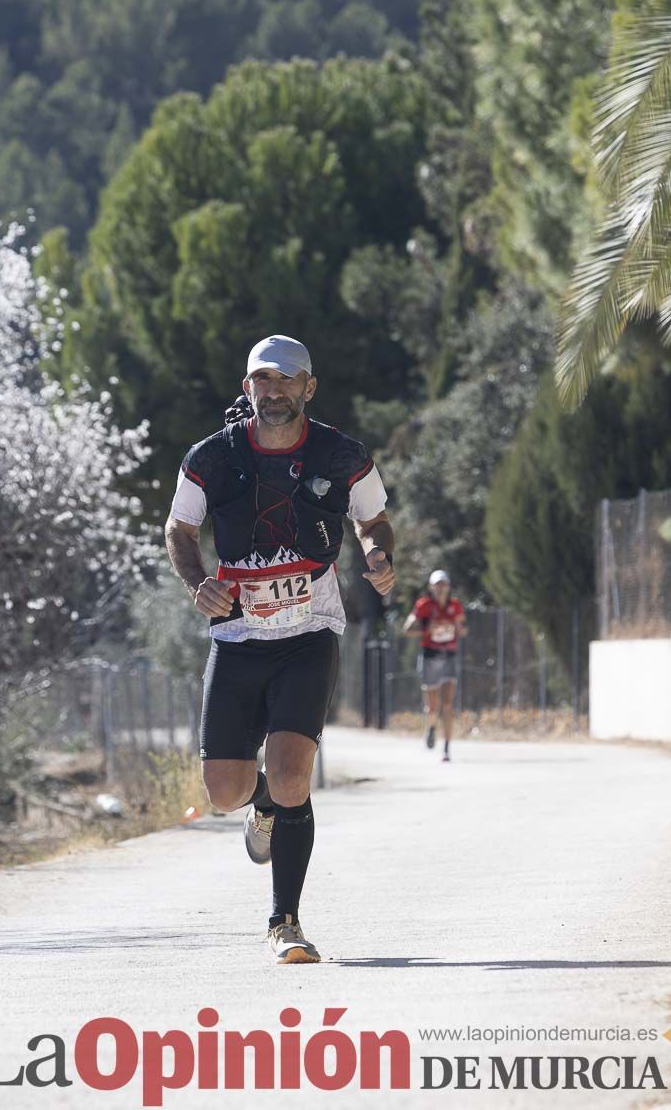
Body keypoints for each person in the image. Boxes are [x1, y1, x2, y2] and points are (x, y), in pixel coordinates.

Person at [165, 335, 395, 963]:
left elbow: (372, 518)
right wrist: (198, 583)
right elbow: (179, 529)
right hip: (239, 638)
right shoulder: (211, 458)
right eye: (262, 381)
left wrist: (378, 553)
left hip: (308, 632)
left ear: (308, 388)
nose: (273, 391)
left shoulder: (341, 453)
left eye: (286, 380)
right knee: (222, 791)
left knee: (295, 775)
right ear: (248, 389)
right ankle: (260, 800)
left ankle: (285, 922)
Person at [403, 570, 466, 762]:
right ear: (431, 587)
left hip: (449, 656)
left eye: (443, 584)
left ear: (448, 586)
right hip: (430, 657)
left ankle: (446, 748)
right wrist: (425, 629)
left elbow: (463, 630)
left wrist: (456, 627)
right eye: (437, 585)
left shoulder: (455, 606)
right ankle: (430, 728)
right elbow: (407, 629)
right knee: (433, 707)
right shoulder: (424, 606)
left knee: (448, 705)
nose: (441, 588)